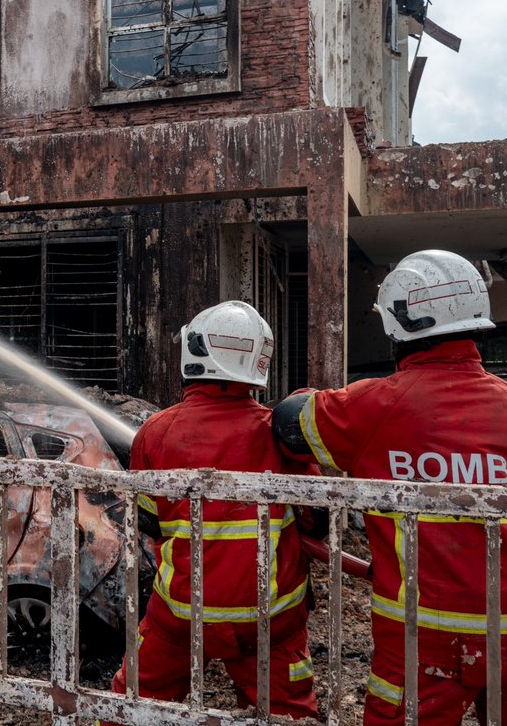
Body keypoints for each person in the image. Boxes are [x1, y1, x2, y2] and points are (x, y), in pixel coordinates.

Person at [272, 249, 507, 725]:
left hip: (421, 639)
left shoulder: (373, 406)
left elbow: (288, 425)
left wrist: (311, 395)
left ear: (398, 324)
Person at [103, 301, 319, 722]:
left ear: (194, 351)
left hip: (182, 613)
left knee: (131, 705)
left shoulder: (155, 433)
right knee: (285, 714)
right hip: (271, 619)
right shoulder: (279, 434)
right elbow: (316, 519)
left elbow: (149, 520)